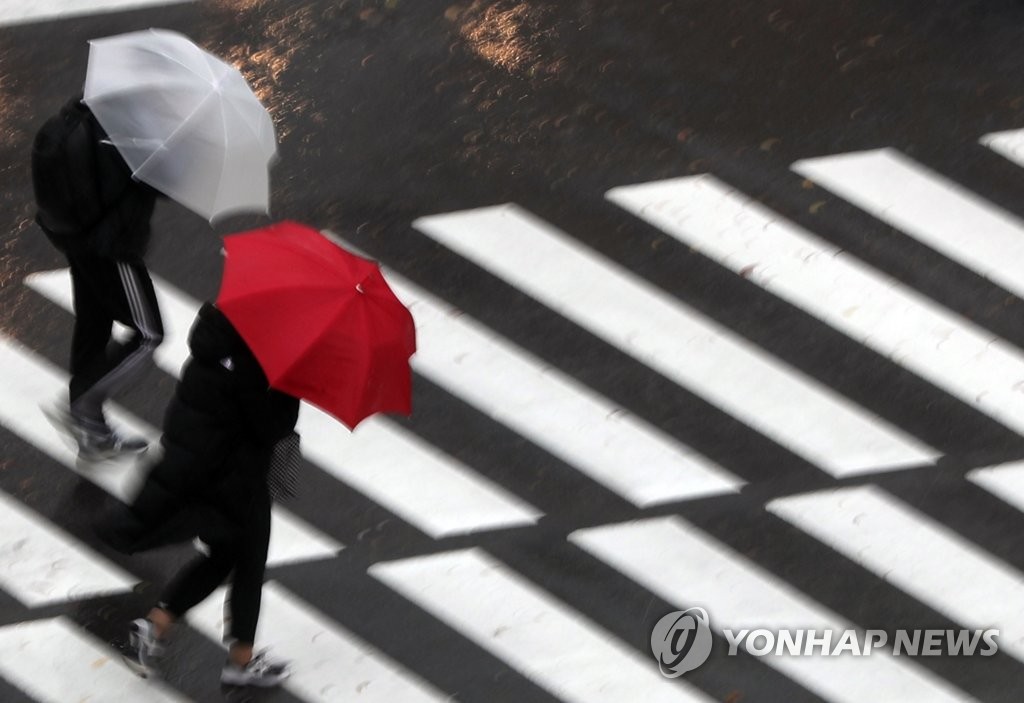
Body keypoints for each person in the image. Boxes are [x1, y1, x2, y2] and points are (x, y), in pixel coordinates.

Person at [97, 301, 299, 688]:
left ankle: (156, 627)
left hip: (198, 472)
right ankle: (239, 663)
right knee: (249, 563)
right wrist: (290, 386)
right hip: (237, 480)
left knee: (223, 556)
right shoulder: (255, 365)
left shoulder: (212, 344)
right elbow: (271, 426)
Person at [32, 94, 164, 460]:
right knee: (148, 334)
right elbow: (157, 185)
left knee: (94, 322)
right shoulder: (133, 136)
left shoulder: (89, 117)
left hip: (76, 238)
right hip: (112, 248)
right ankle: (84, 409)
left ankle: (92, 436)